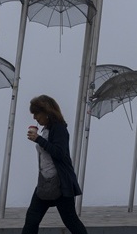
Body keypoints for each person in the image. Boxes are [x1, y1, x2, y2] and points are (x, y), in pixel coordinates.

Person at [21, 94, 88, 234]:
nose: (34, 117)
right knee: (32, 219)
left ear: (47, 112)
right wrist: (40, 138)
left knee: (71, 221)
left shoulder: (59, 129)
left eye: (36, 113)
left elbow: (59, 152)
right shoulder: (46, 129)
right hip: (45, 182)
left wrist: (39, 139)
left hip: (61, 183)